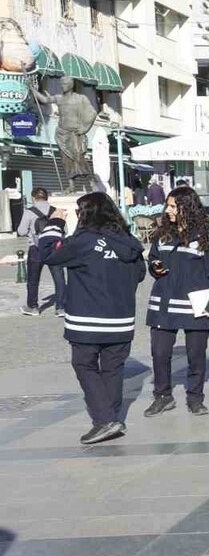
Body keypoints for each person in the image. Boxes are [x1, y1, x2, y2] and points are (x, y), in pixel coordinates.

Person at [44, 192, 146, 445]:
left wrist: (55, 223)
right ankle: (110, 418)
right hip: (121, 319)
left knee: (84, 365)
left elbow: (47, 252)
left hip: (88, 319)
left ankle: (104, 420)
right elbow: (140, 274)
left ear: (87, 214)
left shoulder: (84, 241)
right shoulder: (129, 242)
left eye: (80, 212)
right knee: (113, 369)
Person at [143, 186, 209, 418]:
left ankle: (195, 398)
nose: (168, 210)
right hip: (163, 305)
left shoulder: (207, 234)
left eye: (172, 206)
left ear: (186, 207)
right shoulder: (163, 233)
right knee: (159, 353)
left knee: (196, 356)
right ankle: (162, 396)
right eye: (167, 205)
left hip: (196, 306)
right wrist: (155, 267)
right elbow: (153, 258)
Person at [17, 188, 65, 316]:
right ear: (47, 197)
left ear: (33, 198)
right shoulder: (56, 211)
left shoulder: (29, 212)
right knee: (59, 278)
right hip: (54, 249)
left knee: (33, 279)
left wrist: (33, 233)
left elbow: (21, 231)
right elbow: (64, 229)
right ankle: (60, 307)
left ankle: (33, 307)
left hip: (36, 248)